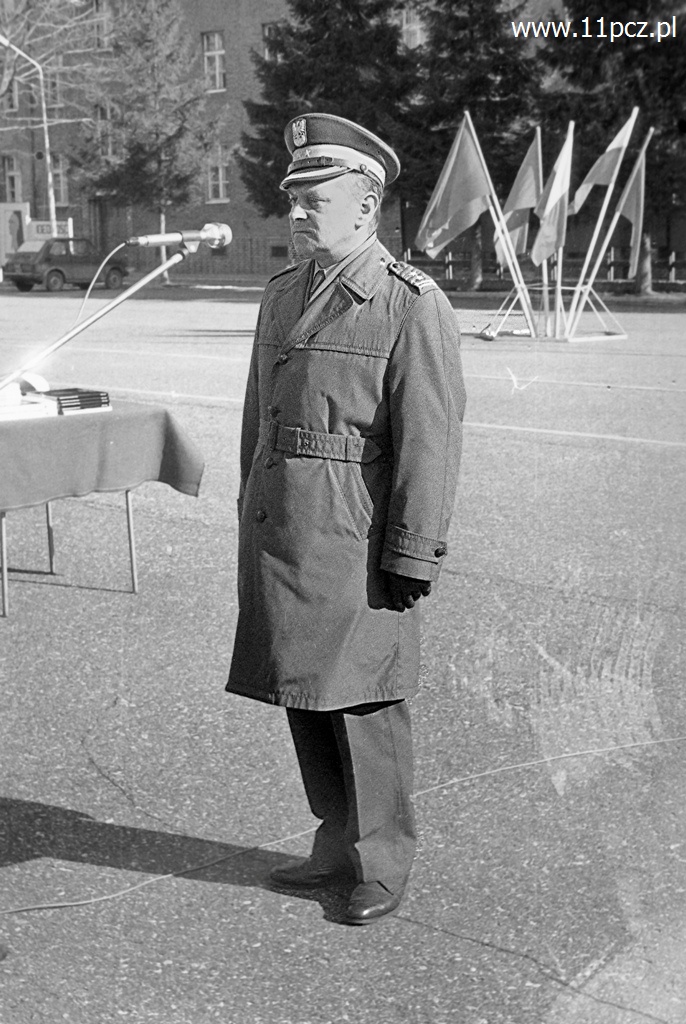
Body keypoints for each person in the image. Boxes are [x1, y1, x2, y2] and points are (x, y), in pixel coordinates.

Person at [226, 112, 466, 925]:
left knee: (363, 702)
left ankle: (382, 863)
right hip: (285, 532)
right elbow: (260, 418)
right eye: (292, 198)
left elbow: (430, 439)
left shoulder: (408, 303)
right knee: (303, 690)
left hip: (354, 537)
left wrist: (413, 551)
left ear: (365, 206)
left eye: (314, 199)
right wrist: (250, 512)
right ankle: (334, 844)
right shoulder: (283, 293)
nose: (295, 212)